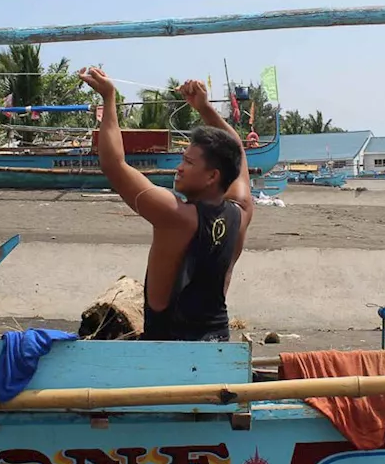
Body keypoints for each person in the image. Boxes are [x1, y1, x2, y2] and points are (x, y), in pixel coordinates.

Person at [78, 67, 254, 342]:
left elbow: (113, 165)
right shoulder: (240, 213)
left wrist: (109, 98)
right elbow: (237, 151)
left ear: (212, 176)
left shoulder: (176, 216)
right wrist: (204, 108)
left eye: (188, 162)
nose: (179, 168)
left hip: (170, 349)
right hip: (218, 342)